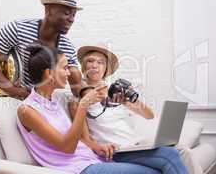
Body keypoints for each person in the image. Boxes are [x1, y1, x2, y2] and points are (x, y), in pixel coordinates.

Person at [17, 45, 162, 174]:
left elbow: (78, 139)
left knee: (164, 162)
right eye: (65, 68)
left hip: (93, 158)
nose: (69, 74)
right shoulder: (27, 110)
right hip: (77, 167)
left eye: (100, 63)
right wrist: (83, 105)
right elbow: (68, 147)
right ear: (49, 74)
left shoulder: (54, 100)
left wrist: (97, 147)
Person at [68, 43, 188, 174]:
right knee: (170, 155)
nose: (95, 65)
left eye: (100, 62)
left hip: (135, 145)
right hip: (116, 150)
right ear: (83, 66)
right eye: (90, 61)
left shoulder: (115, 92)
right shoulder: (78, 98)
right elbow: (84, 138)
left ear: (106, 68)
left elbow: (149, 115)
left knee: (181, 152)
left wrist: (127, 101)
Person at [0, 0, 84, 118]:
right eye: (66, 13)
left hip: (27, 99)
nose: (71, 19)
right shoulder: (18, 29)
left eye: (73, 14)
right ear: (48, 10)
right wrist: (14, 90)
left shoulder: (66, 47)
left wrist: (100, 94)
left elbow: (77, 87)